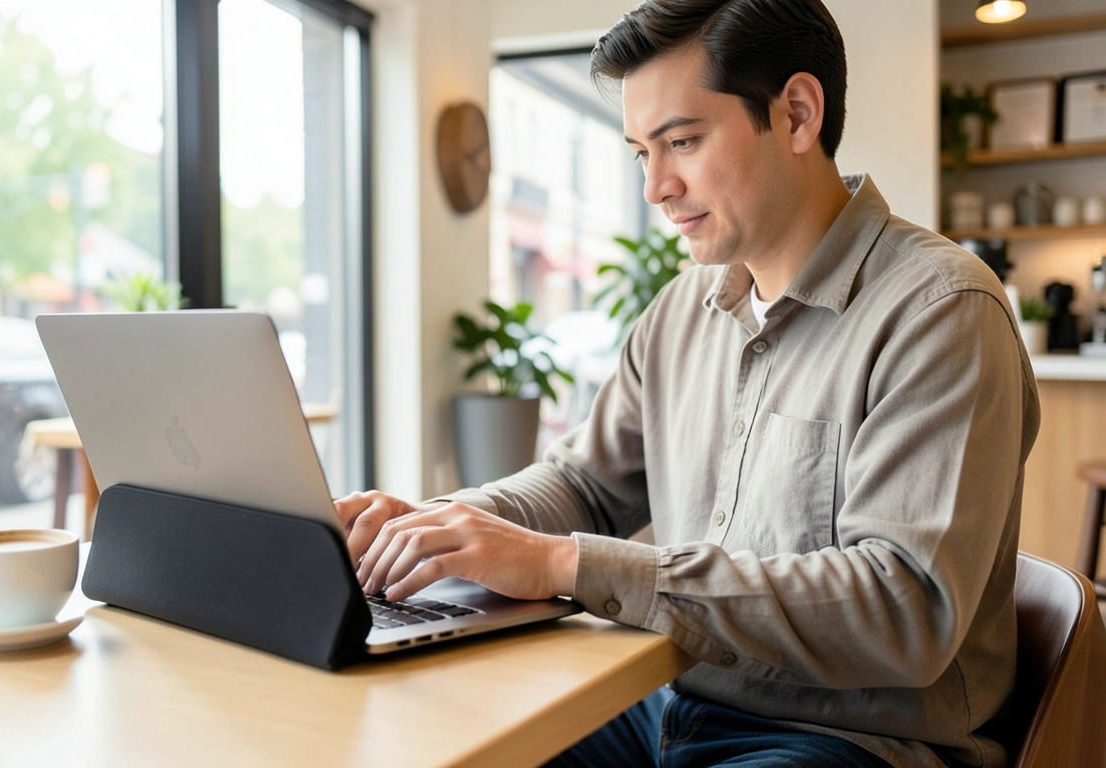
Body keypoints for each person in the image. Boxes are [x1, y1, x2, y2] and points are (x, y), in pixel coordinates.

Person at [334, 1, 1039, 765]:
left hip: (851, 739)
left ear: (798, 114)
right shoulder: (681, 310)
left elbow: (904, 611)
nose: (656, 188)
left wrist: (563, 564)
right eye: (642, 151)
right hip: (666, 705)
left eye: (682, 141)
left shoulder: (941, 310)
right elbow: (583, 484)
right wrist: (439, 528)